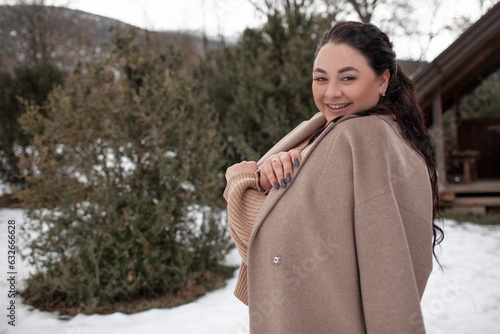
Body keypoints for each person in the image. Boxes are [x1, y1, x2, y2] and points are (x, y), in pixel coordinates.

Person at [223, 21, 443, 334]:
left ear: (383, 79)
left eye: (348, 78)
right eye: (321, 79)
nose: (332, 92)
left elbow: (276, 246)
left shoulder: (357, 137)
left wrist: (240, 181)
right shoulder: (391, 136)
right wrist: (275, 180)